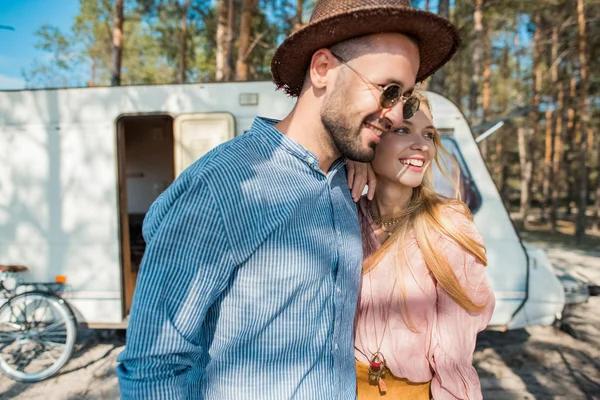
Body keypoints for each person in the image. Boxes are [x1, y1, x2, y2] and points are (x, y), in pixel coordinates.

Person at [116, 0, 461, 398]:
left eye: (406, 97)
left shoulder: (344, 181)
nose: (398, 115)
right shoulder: (224, 187)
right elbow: (152, 366)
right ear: (323, 69)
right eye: (388, 91)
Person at [353, 92, 495, 399]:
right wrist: (351, 160)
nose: (422, 145)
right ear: (371, 137)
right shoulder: (346, 214)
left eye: (429, 135)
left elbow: (453, 355)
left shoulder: (446, 224)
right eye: (403, 130)